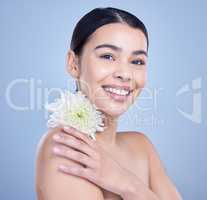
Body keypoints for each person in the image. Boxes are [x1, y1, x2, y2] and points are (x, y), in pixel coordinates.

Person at [35, 7, 183, 200]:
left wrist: (127, 184)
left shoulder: (142, 146)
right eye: (108, 56)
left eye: (137, 61)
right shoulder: (67, 147)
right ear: (73, 64)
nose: (125, 73)